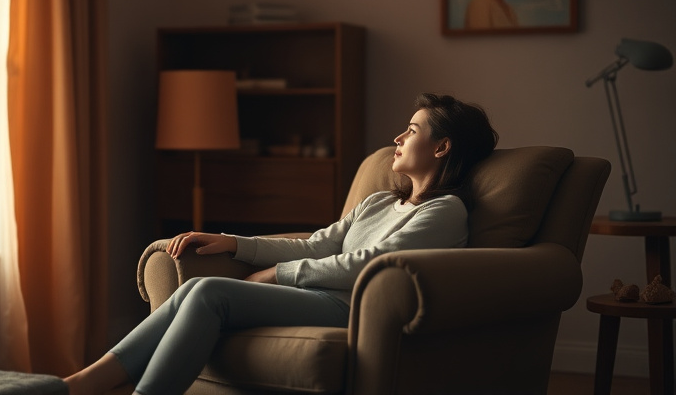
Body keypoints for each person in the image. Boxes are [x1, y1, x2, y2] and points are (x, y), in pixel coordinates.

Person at [65, 93, 499, 395]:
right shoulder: (379, 201)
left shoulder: (445, 212)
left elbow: (375, 263)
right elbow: (315, 245)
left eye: (411, 130)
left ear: (442, 146)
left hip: (354, 308)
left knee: (210, 293)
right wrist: (233, 243)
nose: (398, 138)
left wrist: (279, 274)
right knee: (197, 288)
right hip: (318, 296)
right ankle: (81, 383)